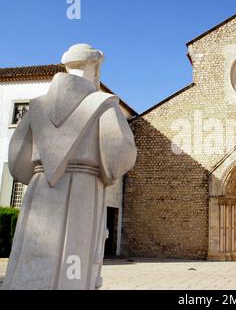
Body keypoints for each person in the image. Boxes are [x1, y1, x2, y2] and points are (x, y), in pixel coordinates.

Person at [2, 44, 137, 290]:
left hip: (39, 188)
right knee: (75, 259)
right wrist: (107, 174)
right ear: (95, 68)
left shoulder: (36, 106)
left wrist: (42, 171)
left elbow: (17, 161)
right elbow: (119, 153)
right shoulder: (103, 104)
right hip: (84, 188)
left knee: (31, 258)